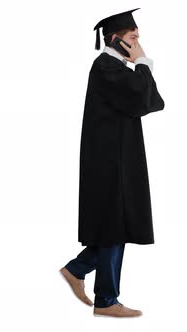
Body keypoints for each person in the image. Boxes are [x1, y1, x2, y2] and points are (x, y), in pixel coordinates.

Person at [58, 7, 165, 318]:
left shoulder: (116, 69)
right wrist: (143, 63)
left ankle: (79, 272)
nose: (139, 43)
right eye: (133, 38)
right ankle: (104, 298)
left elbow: (152, 102)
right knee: (113, 227)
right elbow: (140, 99)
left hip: (118, 158)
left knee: (116, 226)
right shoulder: (106, 66)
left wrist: (142, 67)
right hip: (109, 162)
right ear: (118, 40)